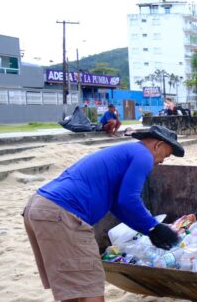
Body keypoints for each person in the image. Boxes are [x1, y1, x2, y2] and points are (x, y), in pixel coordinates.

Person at [23, 126, 184, 302]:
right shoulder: (144, 155)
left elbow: (118, 205)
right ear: (158, 145)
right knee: (90, 287)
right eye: (165, 156)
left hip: (39, 207)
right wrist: (153, 227)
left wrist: (150, 230)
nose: (160, 162)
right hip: (63, 213)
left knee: (74, 289)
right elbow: (128, 199)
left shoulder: (127, 152)